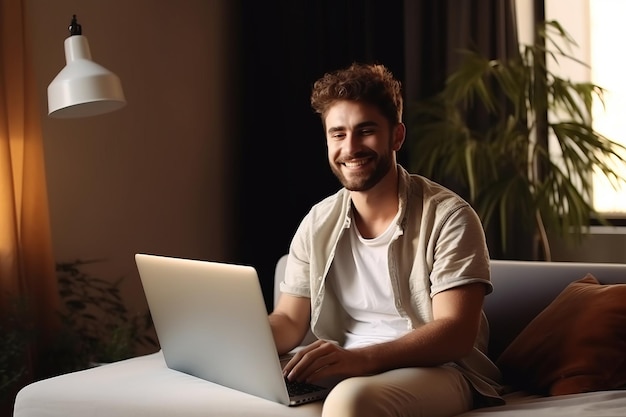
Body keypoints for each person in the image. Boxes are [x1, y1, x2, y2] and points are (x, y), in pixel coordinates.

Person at [269, 62, 504, 417]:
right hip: (346, 366)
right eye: (338, 134)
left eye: (366, 131)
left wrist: (358, 360)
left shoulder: (449, 216)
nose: (350, 148)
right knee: (251, 391)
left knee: (351, 402)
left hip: (439, 371)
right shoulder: (318, 221)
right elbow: (288, 321)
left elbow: (456, 333)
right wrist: (233, 342)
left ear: (396, 136)